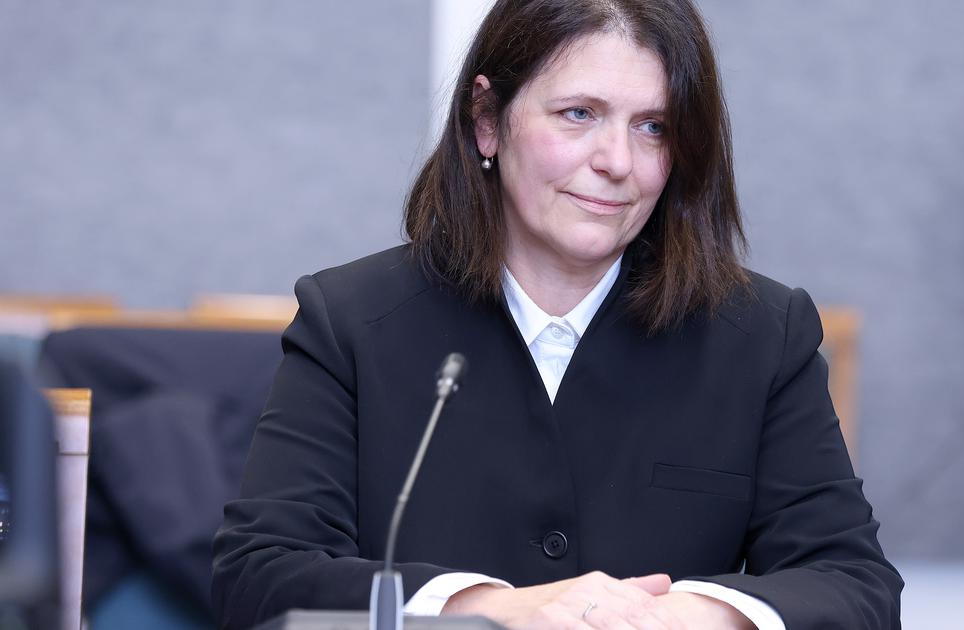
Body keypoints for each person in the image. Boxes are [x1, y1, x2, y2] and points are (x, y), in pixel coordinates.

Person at [211, 0, 903, 628]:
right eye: (579, 114)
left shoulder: (762, 335)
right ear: (488, 121)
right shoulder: (351, 321)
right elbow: (260, 574)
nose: (618, 161)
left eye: (653, 127)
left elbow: (856, 586)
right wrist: (489, 609)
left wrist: (686, 615)